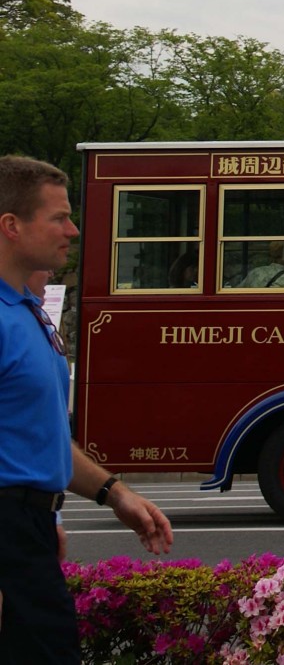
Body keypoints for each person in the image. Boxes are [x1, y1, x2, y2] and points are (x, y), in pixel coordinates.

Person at [2, 156, 175, 664]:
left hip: (27, 531)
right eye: (58, 217)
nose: (73, 230)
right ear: (12, 226)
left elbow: (39, 434)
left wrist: (113, 492)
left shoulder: (26, 311)